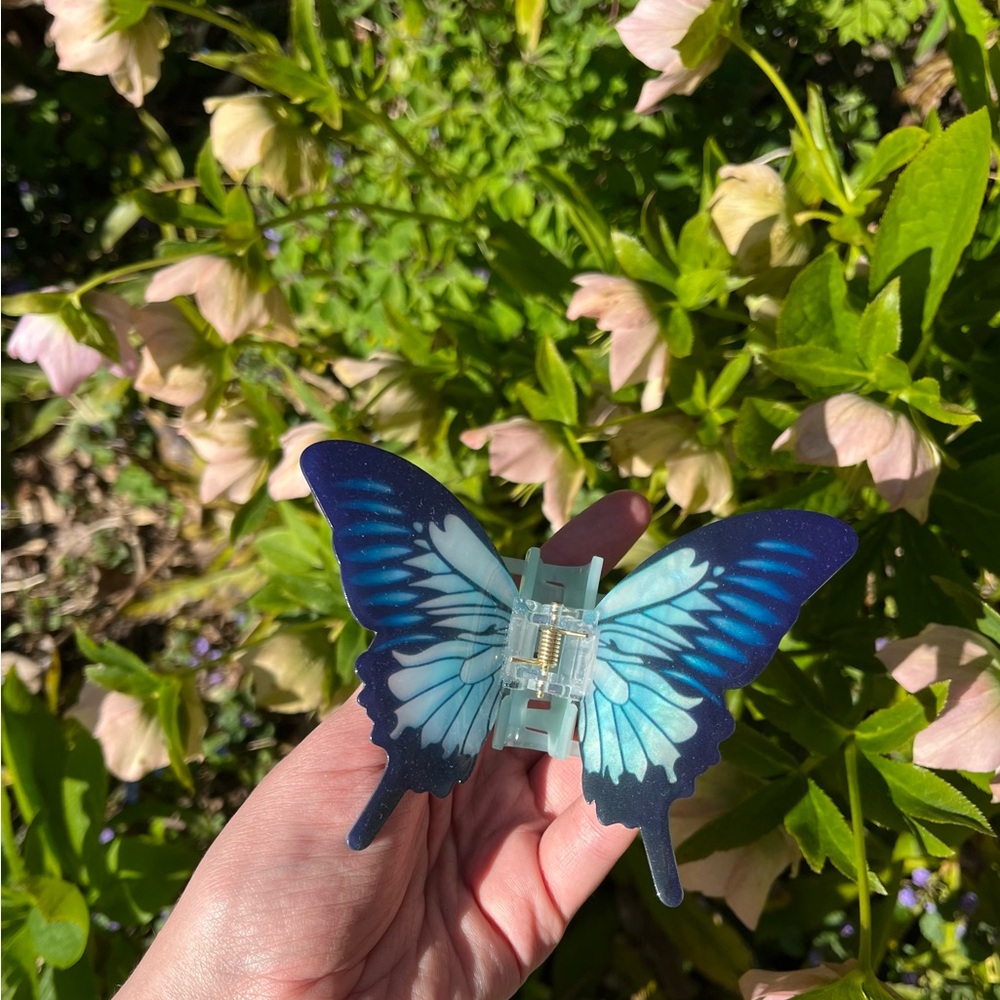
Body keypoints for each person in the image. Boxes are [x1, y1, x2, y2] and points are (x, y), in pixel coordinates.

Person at [115, 492, 651, 1000]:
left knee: (408, 736)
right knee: (638, 755)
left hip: (462, 688)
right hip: (608, 696)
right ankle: (652, 831)